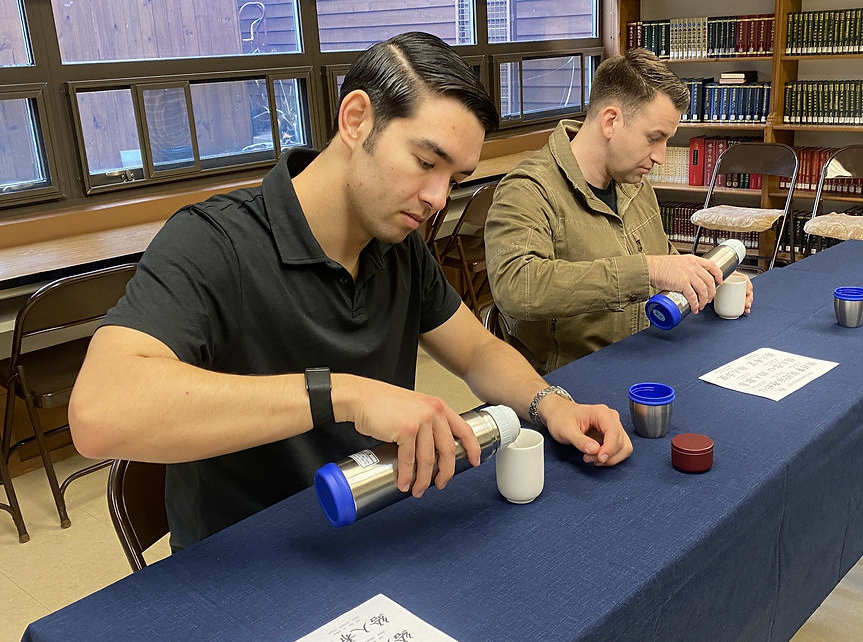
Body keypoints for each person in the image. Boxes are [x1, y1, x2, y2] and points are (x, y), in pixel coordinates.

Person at [69, 32, 632, 551]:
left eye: (454, 180)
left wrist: (550, 404)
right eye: (424, 162)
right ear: (357, 118)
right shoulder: (215, 243)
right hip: (250, 563)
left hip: (376, 528)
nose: (438, 198)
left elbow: (477, 350)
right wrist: (343, 394)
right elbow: (100, 413)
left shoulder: (396, 239)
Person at [485, 48, 754, 374]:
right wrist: (648, 271)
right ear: (611, 121)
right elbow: (518, 287)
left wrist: (707, 277)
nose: (660, 157)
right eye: (654, 138)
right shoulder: (528, 189)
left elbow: (663, 257)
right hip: (571, 382)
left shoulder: (634, 184)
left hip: (646, 356)